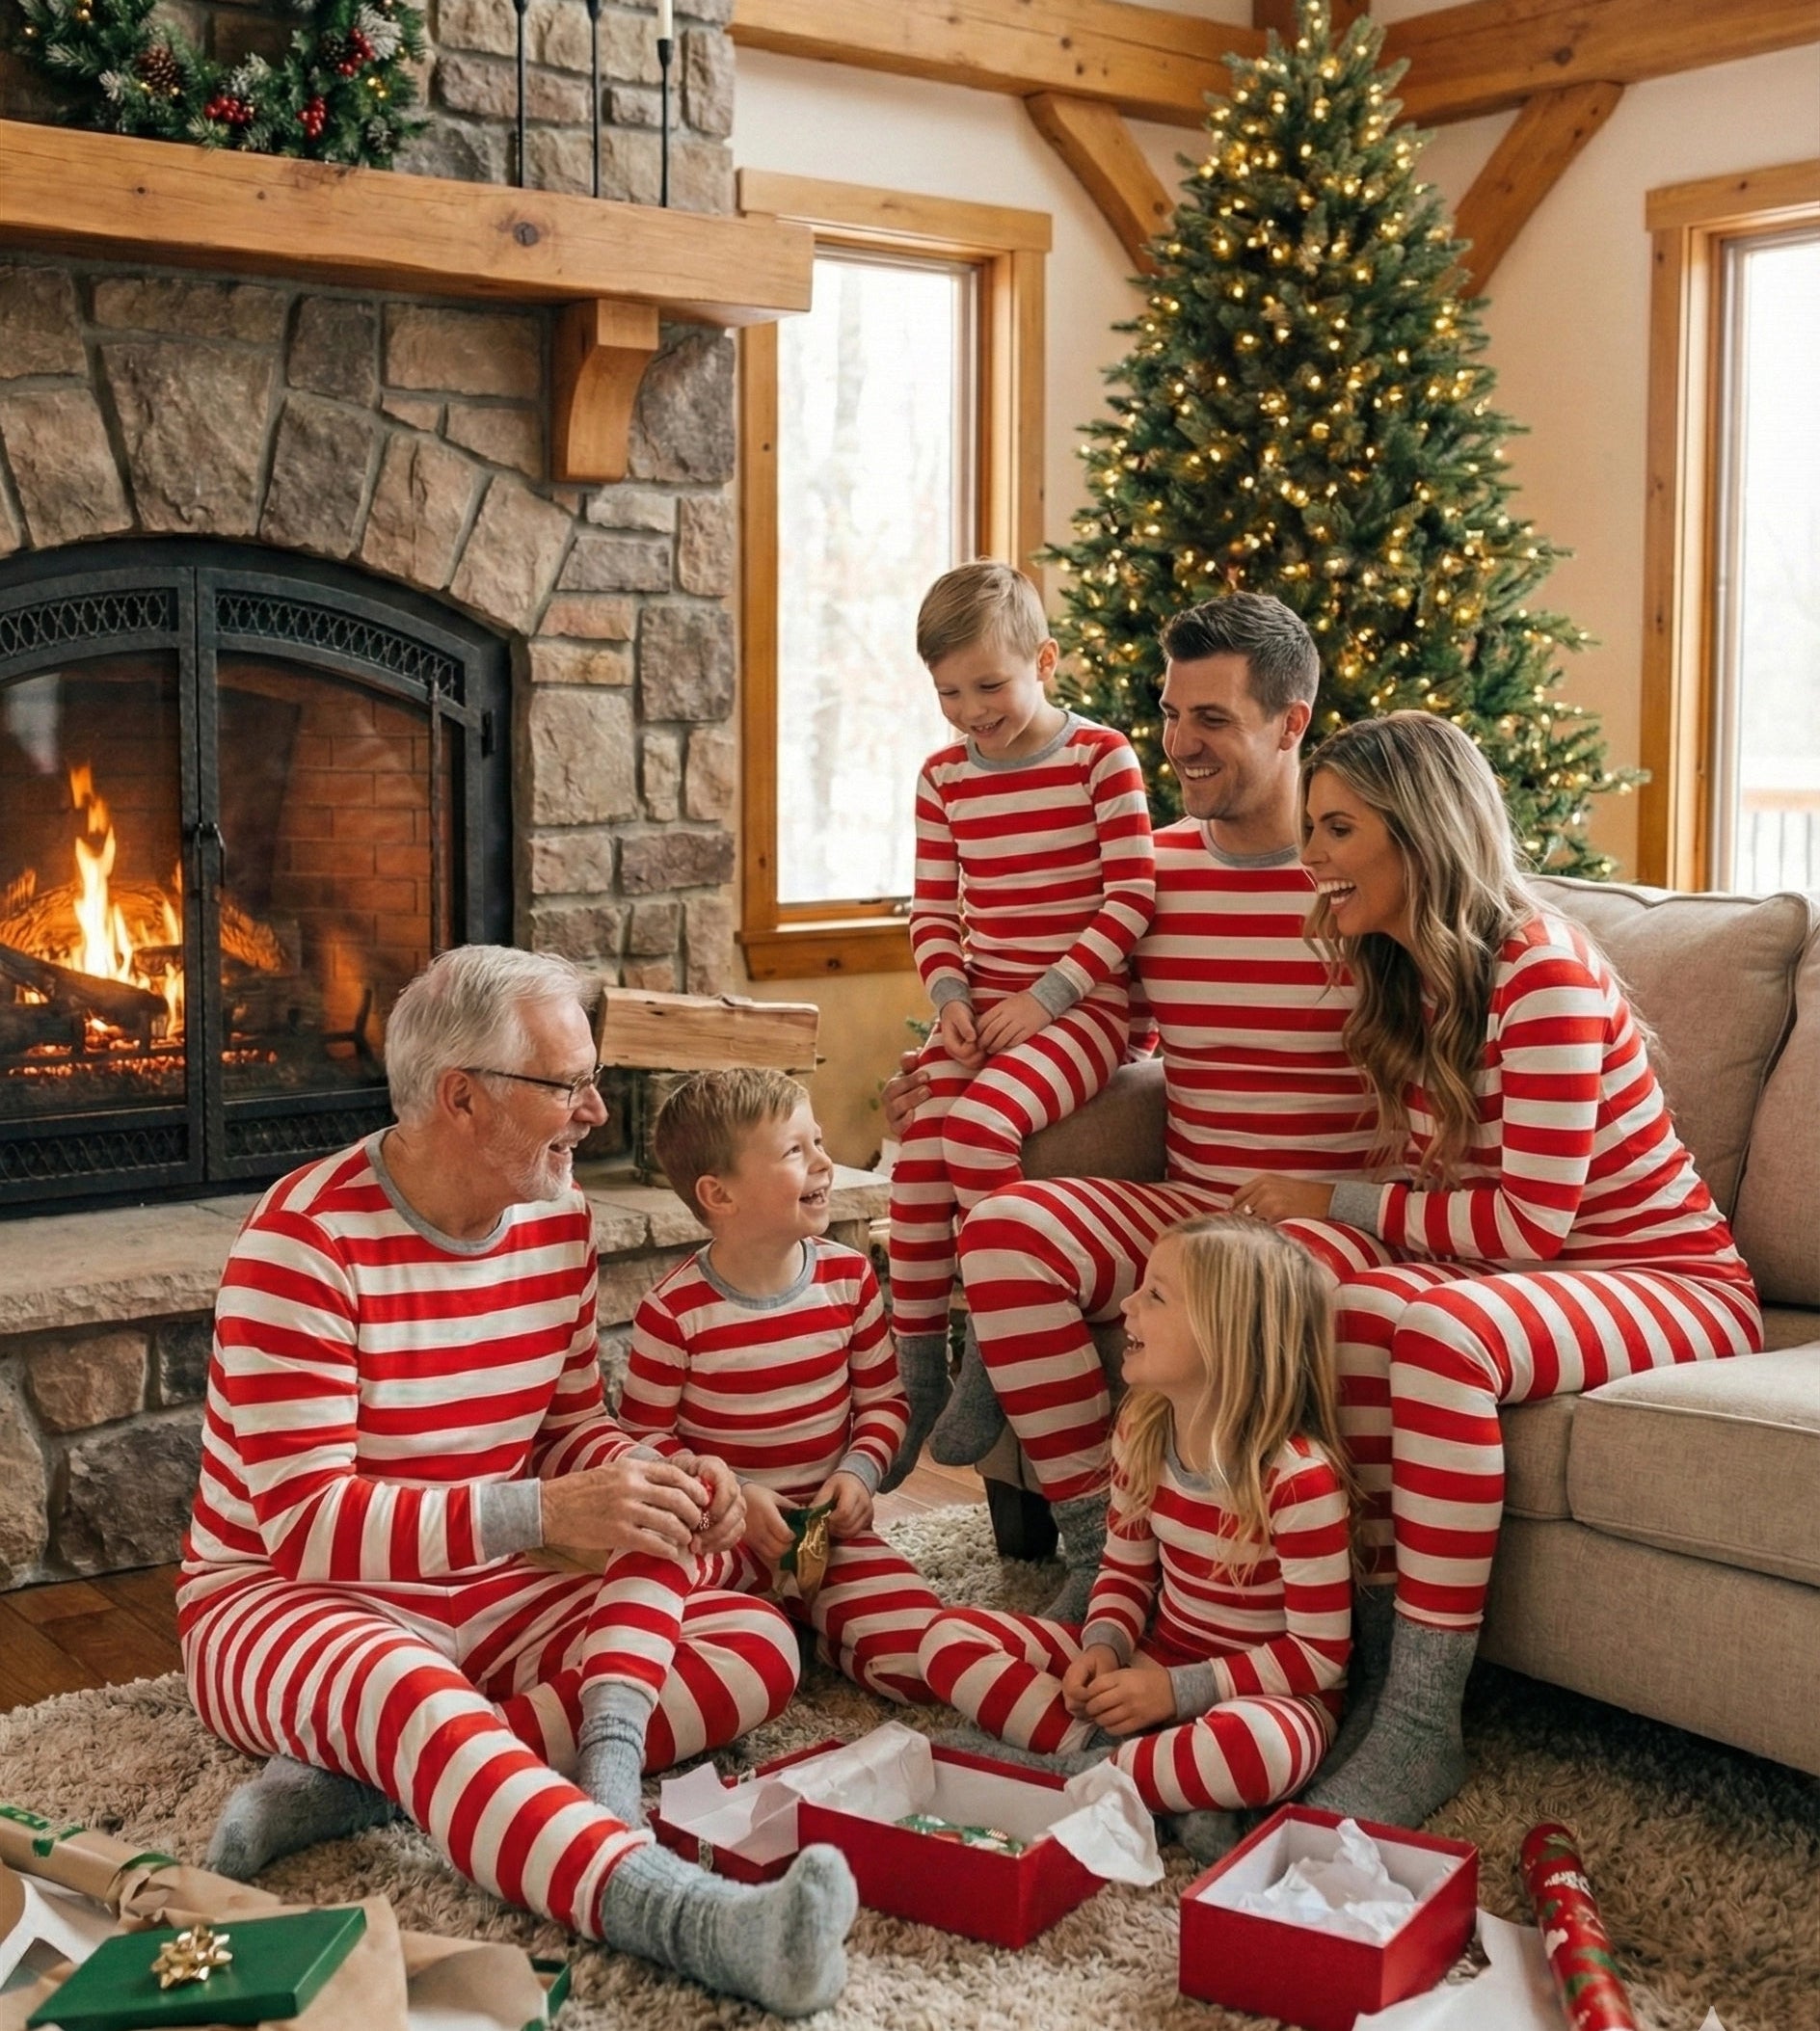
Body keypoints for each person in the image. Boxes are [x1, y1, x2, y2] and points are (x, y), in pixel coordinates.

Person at [179, 947, 857, 2018]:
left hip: (482, 1576)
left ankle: (389, 1779)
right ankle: (691, 1916)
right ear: (462, 1097)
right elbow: (306, 1527)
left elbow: (569, 1428)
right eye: (567, 1084)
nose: (594, 1110)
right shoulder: (300, 1245)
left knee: (758, 1640)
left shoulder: (559, 1215)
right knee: (411, 1691)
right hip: (277, 1595)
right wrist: (545, 1515)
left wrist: (656, 1479)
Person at [1228, 711, 1763, 1826]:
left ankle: (1422, 1722)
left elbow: (1527, 1227)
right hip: (1565, 1273)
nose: (1310, 852)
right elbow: (1453, 1216)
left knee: (1433, 1331)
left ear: (1418, 836)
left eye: (1337, 828)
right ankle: (1354, 1668)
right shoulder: (1416, 972)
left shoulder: (1543, 969)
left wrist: (1340, 1200)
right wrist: (1331, 1233)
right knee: (1334, 1293)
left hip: (1674, 1281)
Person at [890, 593, 1389, 1618]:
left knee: (1219, 1272)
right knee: (1005, 1233)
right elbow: (1093, 1029)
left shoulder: (1360, 882)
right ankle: (1093, 1543)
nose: (1179, 743)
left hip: (1321, 1221)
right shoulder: (1148, 876)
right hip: (1189, 1206)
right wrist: (950, 1079)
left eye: (1212, 718)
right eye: (1169, 713)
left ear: (1292, 722)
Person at [918, 1215, 1354, 1863]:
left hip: (1261, 1699)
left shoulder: (1297, 1479)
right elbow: (1123, 1575)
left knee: (1261, 1749)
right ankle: (1169, 1795)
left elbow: (1320, 1658)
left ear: (1226, 1337)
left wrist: (1179, 1693)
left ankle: (1064, 1778)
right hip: (1151, 1662)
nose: (1126, 1303)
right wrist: (1103, 1646)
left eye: (1155, 1294)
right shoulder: (1142, 1434)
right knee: (945, 1639)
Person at [882, 560, 1156, 1492]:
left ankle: (994, 1360)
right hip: (985, 1003)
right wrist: (951, 998)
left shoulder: (1100, 757)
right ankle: (917, 1369)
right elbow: (931, 912)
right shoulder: (943, 778)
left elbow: (1132, 899)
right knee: (922, 1146)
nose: (970, 710)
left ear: (1044, 660)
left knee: (980, 1125)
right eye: (949, 692)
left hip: (1084, 1005)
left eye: (990, 685)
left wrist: (1044, 998)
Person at [621, 1067, 944, 1702]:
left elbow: (883, 1403)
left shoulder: (849, 1280)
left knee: (927, 1658)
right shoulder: (672, 1311)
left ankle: (817, 1637)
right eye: (797, 1149)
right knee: (651, 1641)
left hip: (830, 1535)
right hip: (720, 1541)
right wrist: (732, 1496)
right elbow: (643, 1441)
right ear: (720, 1193)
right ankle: (785, 1631)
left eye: (818, 1140)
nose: (825, 1160)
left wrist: (858, 1473)